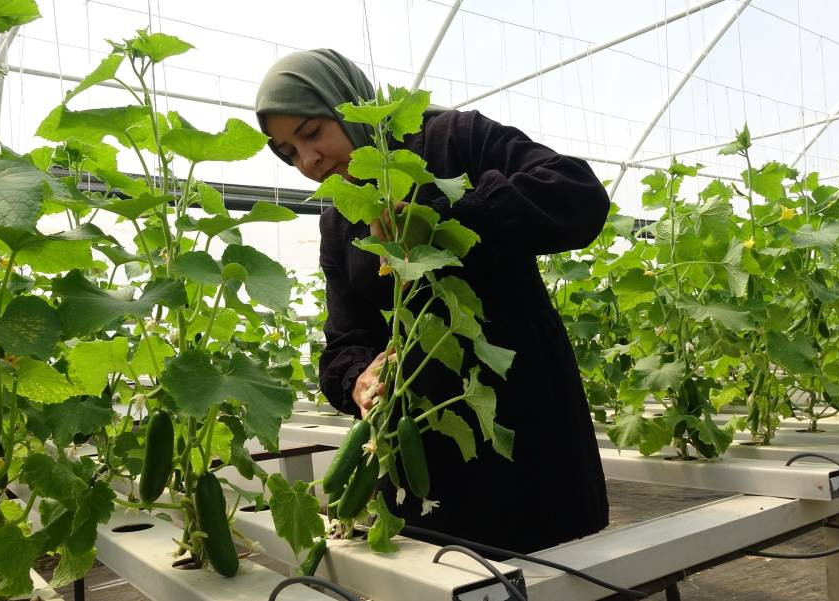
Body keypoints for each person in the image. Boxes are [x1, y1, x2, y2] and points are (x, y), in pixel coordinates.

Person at [255, 48, 609, 554]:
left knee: (558, 566)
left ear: (346, 104)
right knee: (437, 571)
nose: (308, 161)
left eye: (312, 133)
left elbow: (576, 193)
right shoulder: (339, 219)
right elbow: (345, 340)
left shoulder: (454, 138)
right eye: (288, 152)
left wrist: (440, 219)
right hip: (421, 448)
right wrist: (358, 378)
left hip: (526, 421)